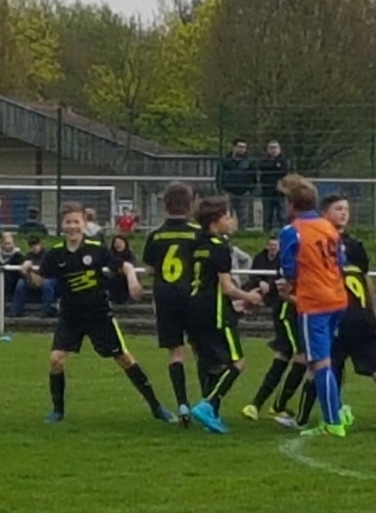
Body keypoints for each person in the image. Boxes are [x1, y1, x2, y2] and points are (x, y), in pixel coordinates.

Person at [22, 201, 174, 424]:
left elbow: (123, 265)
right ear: (62, 225)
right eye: (68, 222)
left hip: (99, 315)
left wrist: (132, 280)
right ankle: (57, 411)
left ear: (84, 223)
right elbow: (39, 281)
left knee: (124, 359)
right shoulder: (55, 254)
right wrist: (27, 271)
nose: (72, 226)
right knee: (56, 360)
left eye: (76, 221)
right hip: (71, 316)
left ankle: (157, 407)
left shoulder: (96, 249)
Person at [288, 194, 376, 434]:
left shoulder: (346, 245)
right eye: (338, 209)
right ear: (325, 213)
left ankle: (308, 419)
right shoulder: (324, 239)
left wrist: (373, 312)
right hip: (351, 314)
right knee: (374, 371)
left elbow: (364, 280)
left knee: (321, 366)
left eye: (346, 209)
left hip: (341, 313)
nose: (344, 213)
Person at [278, 174, 349, 438]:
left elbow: (289, 268)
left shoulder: (292, 231)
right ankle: (338, 410)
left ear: (290, 203)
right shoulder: (328, 227)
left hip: (314, 302)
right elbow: (341, 262)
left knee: (320, 363)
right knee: (326, 358)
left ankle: (332, 422)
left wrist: (288, 286)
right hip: (337, 297)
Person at [187, 198, 264, 434]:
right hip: (216, 311)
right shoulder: (220, 247)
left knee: (209, 364)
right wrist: (249, 297)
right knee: (237, 363)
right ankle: (208, 405)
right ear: (214, 223)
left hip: (194, 308)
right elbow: (227, 287)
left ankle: (212, 417)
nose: (232, 222)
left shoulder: (196, 243)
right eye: (227, 217)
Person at [143, 182, 201, 425]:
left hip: (165, 296)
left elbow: (149, 268)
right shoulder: (198, 233)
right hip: (193, 295)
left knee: (176, 351)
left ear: (165, 205)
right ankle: (207, 404)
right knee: (199, 349)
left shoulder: (156, 235)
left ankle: (182, 404)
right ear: (190, 205)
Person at [242, 236, 308, 422]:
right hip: (289, 313)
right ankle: (277, 405)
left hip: (295, 312)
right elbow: (283, 290)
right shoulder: (293, 261)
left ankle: (258, 405)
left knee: (283, 357)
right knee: (301, 357)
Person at [9, 236, 58, 318]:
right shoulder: (28, 256)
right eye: (31, 245)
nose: (34, 247)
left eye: (36, 244)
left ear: (40, 244)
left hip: (46, 278)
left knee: (47, 284)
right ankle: (15, 310)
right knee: (21, 283)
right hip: (32, 279)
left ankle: (46, 310)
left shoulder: (48, 255)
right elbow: (23, 272)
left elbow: (51, 270)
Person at [218, 139, 257, 229]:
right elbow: (219, 176)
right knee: (227, 217)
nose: (242, 149)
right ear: (234, 147)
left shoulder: (249, 162)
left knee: (244, 218)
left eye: (244, 147)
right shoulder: (225, 161)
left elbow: (253, 177)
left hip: (244, 193)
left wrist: (250, 190)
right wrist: (221, 190)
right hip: (228, 192)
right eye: (240, 147)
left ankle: (242, 233)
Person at [0, 232, 24, 308]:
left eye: (10, 243)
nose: (8, 246)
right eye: (6, 243)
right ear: (2, 244)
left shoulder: (18, 255)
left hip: (13, 280)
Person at [260, 140, 290, 232]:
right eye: (271, 148)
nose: (273, 150)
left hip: (280, 192)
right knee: (267, 214)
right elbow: (263, 170)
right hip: (267, 192)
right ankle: (266, 232)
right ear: (268, 149)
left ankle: (283, 231)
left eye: (275, 147)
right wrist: (274, 166)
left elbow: (283, 172)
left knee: (282, 215)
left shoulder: (284, 161)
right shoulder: (263, 161)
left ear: (279, 149)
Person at [107, 235, 137, 305]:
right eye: (116, 243)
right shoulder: (110, 254)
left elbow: (133, 264)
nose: (118, 245)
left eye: (120, 243)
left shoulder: (130, 254)